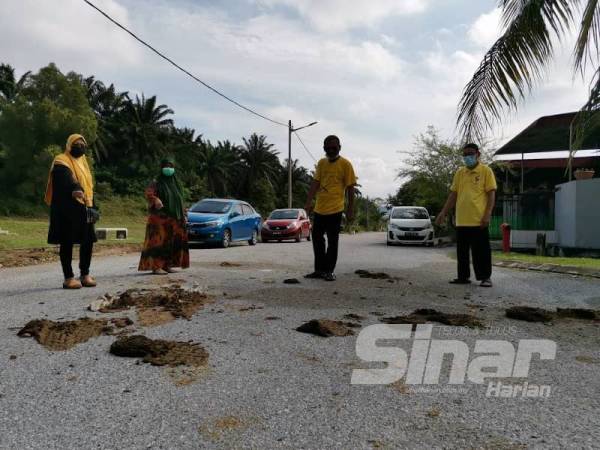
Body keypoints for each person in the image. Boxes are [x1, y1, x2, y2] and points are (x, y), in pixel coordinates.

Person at [436, 143, 497, 287]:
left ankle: (485, 277)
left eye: (470, 154)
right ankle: (463, 277)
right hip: (462, 220)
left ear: (478, 154)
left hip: (478, 220)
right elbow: (453, 194)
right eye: (465, 155)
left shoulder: (486, 171)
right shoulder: (460, 173)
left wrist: (487, 215)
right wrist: (443, 212)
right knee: (462, 252)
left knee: (481, 252)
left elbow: (491, 195)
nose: (467, 157)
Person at [45, 134, 98, 289]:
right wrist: (75, 188)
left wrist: (92, 204)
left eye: (82, 144)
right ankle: (68, 278)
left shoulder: (83, 161)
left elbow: (88, 183)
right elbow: (66, 178)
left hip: (85, 205)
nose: (80, 146)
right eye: (76, 143)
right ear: (69, 145)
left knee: (88, 241)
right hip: (67, 208)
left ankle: (85, 274)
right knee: (67, 241)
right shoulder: (61, 160)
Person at [304, 135, 357, 281]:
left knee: (333, 241)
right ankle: (319, 270)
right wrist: (308, 202)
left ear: (339, 147)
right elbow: (315, 182)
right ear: (324, 148)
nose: (331, 150)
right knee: (317, 238)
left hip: (336, 209)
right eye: (328, 148)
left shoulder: (346, 164)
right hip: (319, 208)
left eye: (334, 147)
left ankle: (329, 271)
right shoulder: (321, 163)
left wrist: (350, 208)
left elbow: (351, 188)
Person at [138, 157, 190, 274]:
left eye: (171, 166)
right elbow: (149, 194)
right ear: (161, 168)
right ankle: (156, 267)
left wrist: (184, 214)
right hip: (160, 219)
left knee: (171, 242)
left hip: (175, 218)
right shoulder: (156, 182)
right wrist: (155, 199)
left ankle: (167, 265)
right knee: (158, 242)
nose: (169, 169)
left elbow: (179, 200)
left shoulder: (176, 184)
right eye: (166, 166)